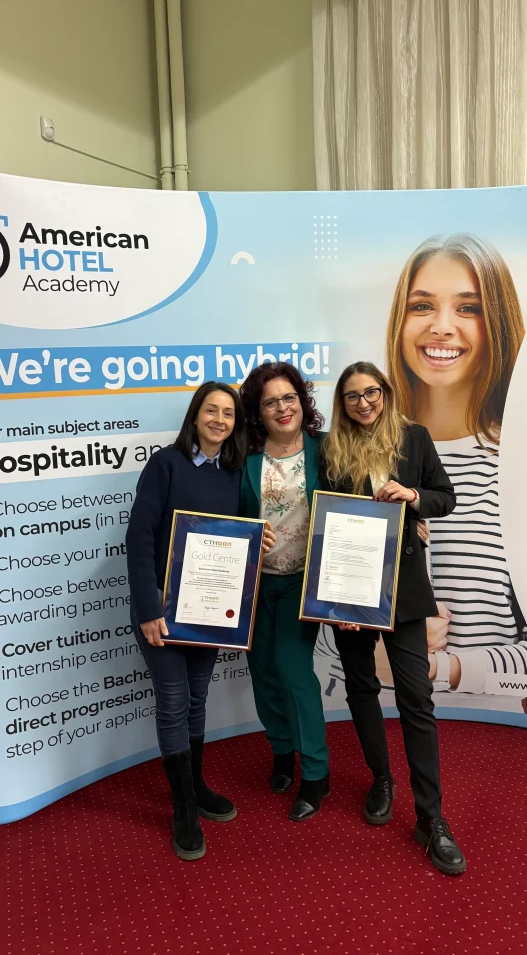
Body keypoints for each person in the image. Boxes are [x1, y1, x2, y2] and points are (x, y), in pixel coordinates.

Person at [386, 233, 527, 705]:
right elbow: (322, 634)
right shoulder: (366, 459)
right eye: (422, 306)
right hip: (376, 723)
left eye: (468, 308)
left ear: (496, 322)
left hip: (491, 729)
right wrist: (376, 647)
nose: (441, 327)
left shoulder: (523, 465)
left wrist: (437, 666)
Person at [321, 361, 466, 875]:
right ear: (342, 403)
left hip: (404, 587)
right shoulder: (330, 450)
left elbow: (446, 497)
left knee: (416, 698)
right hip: (349, 591)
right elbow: (323, 520)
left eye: (371, 392)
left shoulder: (414, 438)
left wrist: (414, 498)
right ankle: (381, 778)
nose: (363, 403)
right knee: (361, 686)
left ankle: (432, 818)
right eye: (352, 396)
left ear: (384, 392)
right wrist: (334, 599)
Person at [126, 382, 274, 861]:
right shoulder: (165, 465)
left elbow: (235, 538)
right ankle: (184, 808)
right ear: (195, 416)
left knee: (195, 699)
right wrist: (149, 609)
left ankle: (196, 784)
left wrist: (256, 540)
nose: (219, 420)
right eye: (211, 410)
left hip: (208, 613)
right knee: (173, 702)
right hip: (163, 612)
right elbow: (139, 538)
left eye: (228, 413)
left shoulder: (232, 472)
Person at [239, 362, 330, 822]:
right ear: (258, 412)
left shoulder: (326, 449)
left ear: (302, 400)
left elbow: (362, 496)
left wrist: (412, 519)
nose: (282, 407)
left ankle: (316, 771)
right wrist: (248, 536)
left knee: (294, 671)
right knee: (262, 670)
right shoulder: (246, 457)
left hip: (303, 581)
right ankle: (281, 750)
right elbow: (229, 516)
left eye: (288, 397)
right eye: (270, 401)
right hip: (255, 583)